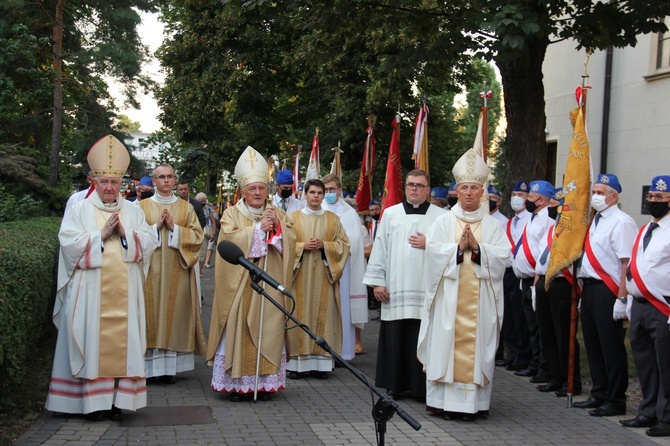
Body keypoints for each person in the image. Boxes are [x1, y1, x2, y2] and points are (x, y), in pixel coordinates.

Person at [45, 135, 159, 421]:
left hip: (125, 293)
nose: (110, 187)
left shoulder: (132, 211)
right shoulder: (79, 210)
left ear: (123, 183)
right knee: (91, 341)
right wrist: (100, 236)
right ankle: (92, 404)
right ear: (93, 181)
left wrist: (125, 236)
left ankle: (117, 402)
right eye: (104, 182)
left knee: (125, 343)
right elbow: (68, 244)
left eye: (115, 182)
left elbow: (148, 243)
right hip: (90, 293)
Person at [417, 148, 509, 420]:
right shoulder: (443, 221)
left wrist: (479, 249)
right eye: (464, 187)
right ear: (457, 190)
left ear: (483, 192)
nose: (469, 192)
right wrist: (457, 250)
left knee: (477, 346)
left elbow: (503, 256)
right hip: (449, 299)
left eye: (474, 188)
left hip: (479, 302)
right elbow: (432, 254)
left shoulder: (493, 226)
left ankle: (473, 406)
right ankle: (442, 403)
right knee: (445, 345)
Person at [208, 146, 297, 402]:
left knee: (268, 328)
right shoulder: (232, 214)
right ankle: (237, 384)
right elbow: (228, 241)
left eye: (261, 188)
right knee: (239, 329)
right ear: (243, 191)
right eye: (252, 189)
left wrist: (277, 229)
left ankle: (265, 383)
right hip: (241, 286)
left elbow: (290, 240)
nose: (257, 193)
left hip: (269, 284)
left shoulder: (278, 213)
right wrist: (258, 231)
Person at [363, 169, 445, 401]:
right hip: (396, 288)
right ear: (405, 187)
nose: (414, 189)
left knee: (423, 335)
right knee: (397, 335)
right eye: (410, 185)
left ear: (428, 190)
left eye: (420, 185)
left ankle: (421, 388)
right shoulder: (391, 214)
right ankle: (395, 385)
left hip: (427, 288)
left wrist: (430, 243)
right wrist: (377, 282)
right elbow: (380, 248)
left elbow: (449, 248)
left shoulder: (441, 216)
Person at [138, 164, 207, 384]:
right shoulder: (141, 207)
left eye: (169, 177)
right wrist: (156, 227)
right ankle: (148, 369)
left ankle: (169, 370)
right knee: (150, 313)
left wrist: (175, 229)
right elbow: (133, 237)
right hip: (149, 273)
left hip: (178, 269)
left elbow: (197, 237)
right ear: (154, 181)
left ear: (175, 181)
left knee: (174, 314)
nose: (166, 181)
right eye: (161, 177)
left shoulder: (185, 208)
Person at [574, 173, 636, 416]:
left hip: (608, 289)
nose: (595, 196)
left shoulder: (621, 222)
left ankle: (615, 399)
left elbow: (626, 263)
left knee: (611, 346)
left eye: (600, 192)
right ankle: (598, 393)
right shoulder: (596, 220)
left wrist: (622, 298)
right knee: (593, 344)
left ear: (614, 196)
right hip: (590, 288)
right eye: (594, 192)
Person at [621, 175, 670, 437]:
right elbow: (634, 266)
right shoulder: (644, 229)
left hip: (662, 307)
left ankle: (666, 417)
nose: (653, 201)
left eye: (660, 197)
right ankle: (647, 411)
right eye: (651, 196)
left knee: (665, 364)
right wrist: (628, 300)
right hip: (639, 304)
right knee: (644, 362)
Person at [287, 179, 350, 379]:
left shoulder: (333, 219)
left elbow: (344, 245)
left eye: (319, 193)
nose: (316, 196)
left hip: (324, 276)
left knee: (324, 316)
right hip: (299, 276)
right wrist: (301, 247)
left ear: (323, 195)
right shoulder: (293, 218)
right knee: (298, 313)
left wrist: (325, 245)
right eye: (312, 192)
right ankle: (296, 364)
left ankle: (322, 364)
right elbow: (284, 246)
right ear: (304, 194)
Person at [533, 188, 582, 397]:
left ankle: (569, 380)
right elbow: (540, 257)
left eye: (554, 204)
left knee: (564, 334)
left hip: (562, 284)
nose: (551, 208)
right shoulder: (552, 228)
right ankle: (554, 376)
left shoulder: (573, 231)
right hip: (544, 282)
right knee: (548, 333)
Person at [511, 180, 555, 384]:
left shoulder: (548, 219)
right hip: (526, 278)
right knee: (531, 325)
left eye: (529, 197)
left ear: (541, 200)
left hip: (537, 278)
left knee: (540, 326)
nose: (526, 200)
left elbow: (545, 249)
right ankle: (536, 363)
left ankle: (544, 366)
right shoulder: (534, 217)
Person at [321, 173, 367, 361]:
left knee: (347, 304)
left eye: (332, 189)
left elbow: (355, 239)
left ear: (339, 190)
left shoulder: (350, 213)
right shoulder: (319, 209)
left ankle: (348, 345)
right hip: (324, 263)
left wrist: (343, 248)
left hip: (347, 267)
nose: (329, 193)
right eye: (326, 190)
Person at [487, 184, 509, 366]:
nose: (489, 202)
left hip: (499, 270)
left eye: (492, 199)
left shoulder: (502, 221)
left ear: (499, 201)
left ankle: (499, 350)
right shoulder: (482, 219)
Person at [195, 192, 216, 275]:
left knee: (203, 253)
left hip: (205, 232)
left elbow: (213, 221)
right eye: (201, 201)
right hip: (195, 231)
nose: (203, 203)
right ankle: (194, 270)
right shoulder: (193, 207)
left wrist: (213, 233)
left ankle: (199, 271)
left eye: (204, 201)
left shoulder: (208, 209)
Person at [367, 199, 381, 311]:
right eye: (372, 210)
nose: (374, 212)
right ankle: (375, 302)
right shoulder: (371, 225)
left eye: (377, 209)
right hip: (372, 255)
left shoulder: (384, 222)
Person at [205, 203, 221, 268]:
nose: (215, 206)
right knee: (208, 246)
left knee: (210, 246)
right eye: (214, 205)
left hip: (212, 230)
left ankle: (207, 261)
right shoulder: (211, 212)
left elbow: (216, 222)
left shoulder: (214, 212)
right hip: (206, 229)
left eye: (216, 205)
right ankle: (205, 261)